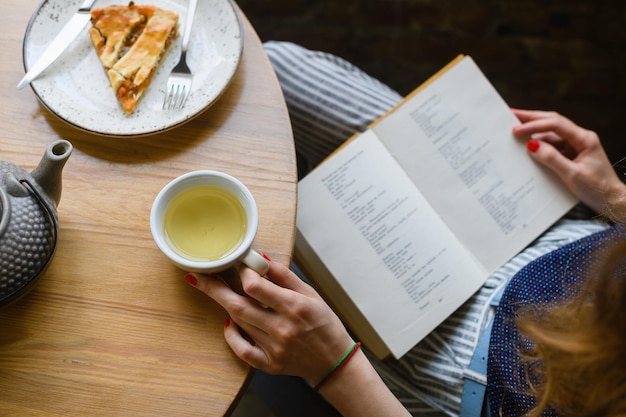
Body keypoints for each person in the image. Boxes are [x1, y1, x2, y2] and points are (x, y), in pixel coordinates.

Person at [184, 42, 626, 417]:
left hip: (468, 364)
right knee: (269, 68)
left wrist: (333, 368)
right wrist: (614, 195)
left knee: (229, 271)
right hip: (544, 231)